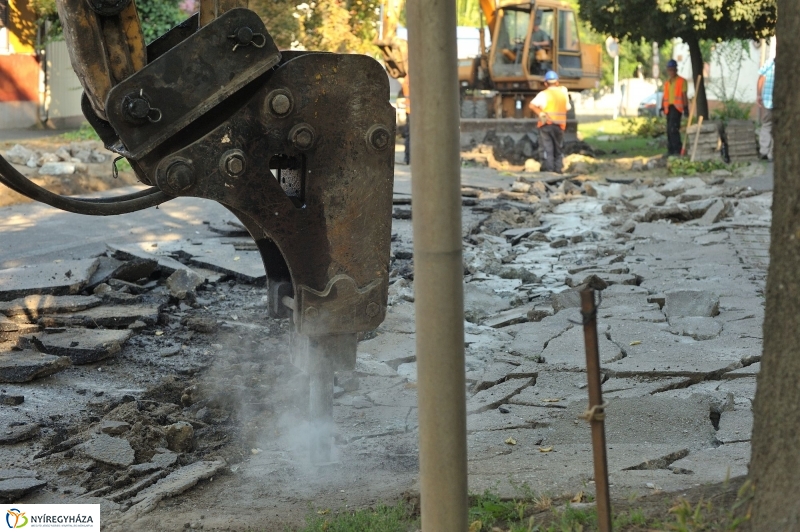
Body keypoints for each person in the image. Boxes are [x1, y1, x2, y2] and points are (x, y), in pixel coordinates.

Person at [528, 71, 570, 173]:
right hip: (560, 126)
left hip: (546, 125)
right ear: (557, 82)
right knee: (558, 150)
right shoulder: (563, 94)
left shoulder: (543, 94)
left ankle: (549, 171)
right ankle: (558, 170)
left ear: (546, 83)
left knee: (548, 149)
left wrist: (540, 113)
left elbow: (531, 105)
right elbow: (567, 108)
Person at [662, 59, 689, 156]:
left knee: (673, 129)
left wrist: (686, 107)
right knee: (669, 130)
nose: (671, 72)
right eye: (670, 70)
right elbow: (665, 96)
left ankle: (677, 150)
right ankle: (671, 150)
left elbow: (684, 95)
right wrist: (662, 106)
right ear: (667, 70)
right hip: (668, 108)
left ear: (676, 70)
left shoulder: (681, 81)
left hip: (677, 108)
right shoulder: (667, 83)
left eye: (673, 69)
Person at [757, 56, 775, 161]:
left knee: (767, 125)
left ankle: (764, 151)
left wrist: (759, 95)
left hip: (768, 101)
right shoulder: (789, 65)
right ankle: (771, 153)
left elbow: (761, 77)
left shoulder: (770, 63)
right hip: (780, 102)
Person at [401, 74, 411, 165]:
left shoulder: (407, 78)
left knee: (409, 136)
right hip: (415, 111)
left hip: (409, 110)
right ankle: (409, 158)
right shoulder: (415, 77)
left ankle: (407, 158)